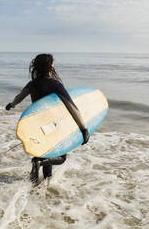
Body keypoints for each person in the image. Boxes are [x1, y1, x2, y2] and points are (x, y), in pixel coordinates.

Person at [5, 53, 90, 184]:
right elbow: (72, 107)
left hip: (37, 125)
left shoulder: (32, 84)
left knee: (43, 152)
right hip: (53, 125)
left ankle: (39, 187)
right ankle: (39, 165)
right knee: (61, 157)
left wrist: (12, 105)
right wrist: (83, 129)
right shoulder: (55, 85)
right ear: (50, 66)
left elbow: (19, 97)